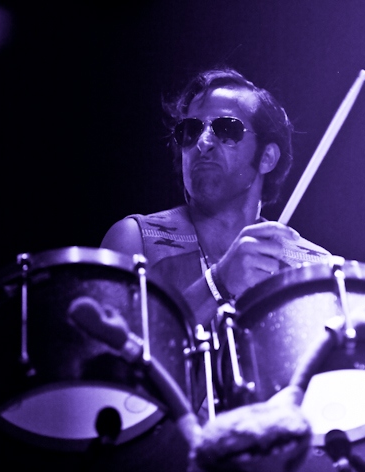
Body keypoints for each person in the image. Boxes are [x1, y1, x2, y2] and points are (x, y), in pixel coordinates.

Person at [101, 67, 330, 327]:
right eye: (190, 130)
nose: (202, 142)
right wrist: (218, 283)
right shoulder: (136, 240)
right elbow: (114, 351)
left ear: (267, 157)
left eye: (227, 129)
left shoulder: (315, 268)